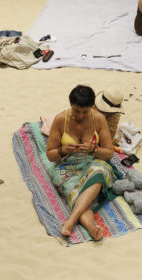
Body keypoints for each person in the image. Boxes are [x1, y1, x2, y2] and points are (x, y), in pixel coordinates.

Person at [45, 85, 117, 240]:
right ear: (71, 105)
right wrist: (63, 150)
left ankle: (71, 221)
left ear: (91, 107)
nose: (80, 115)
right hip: (66, 165)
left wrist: (94, 149)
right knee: (73, 190)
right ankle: (91, 227)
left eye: (85, 112)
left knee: (99, 172)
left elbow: (109, 153)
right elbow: (50, 155)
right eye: (76, 111)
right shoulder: (60, 120)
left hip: (92, 161)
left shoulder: (98, 119)